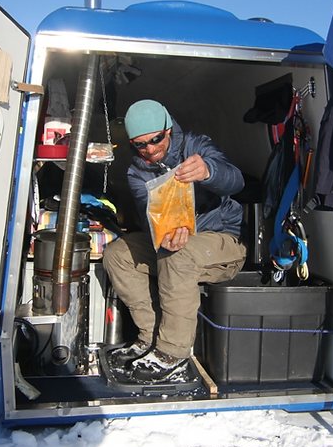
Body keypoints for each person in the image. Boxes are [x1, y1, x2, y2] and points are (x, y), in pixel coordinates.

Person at [102, 99, 246, 383]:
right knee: (117, 254)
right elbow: (147, 217)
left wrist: (209, 172)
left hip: (222, 240)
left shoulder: (196, 146)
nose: (150, 150)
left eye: (155, 139)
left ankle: (173, 353)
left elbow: (236, 181)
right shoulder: (136, 172)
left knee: (177, 255)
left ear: (168, 129)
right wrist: (162, 235)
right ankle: (150, 336)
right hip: (173, 242)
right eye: (140, 144)